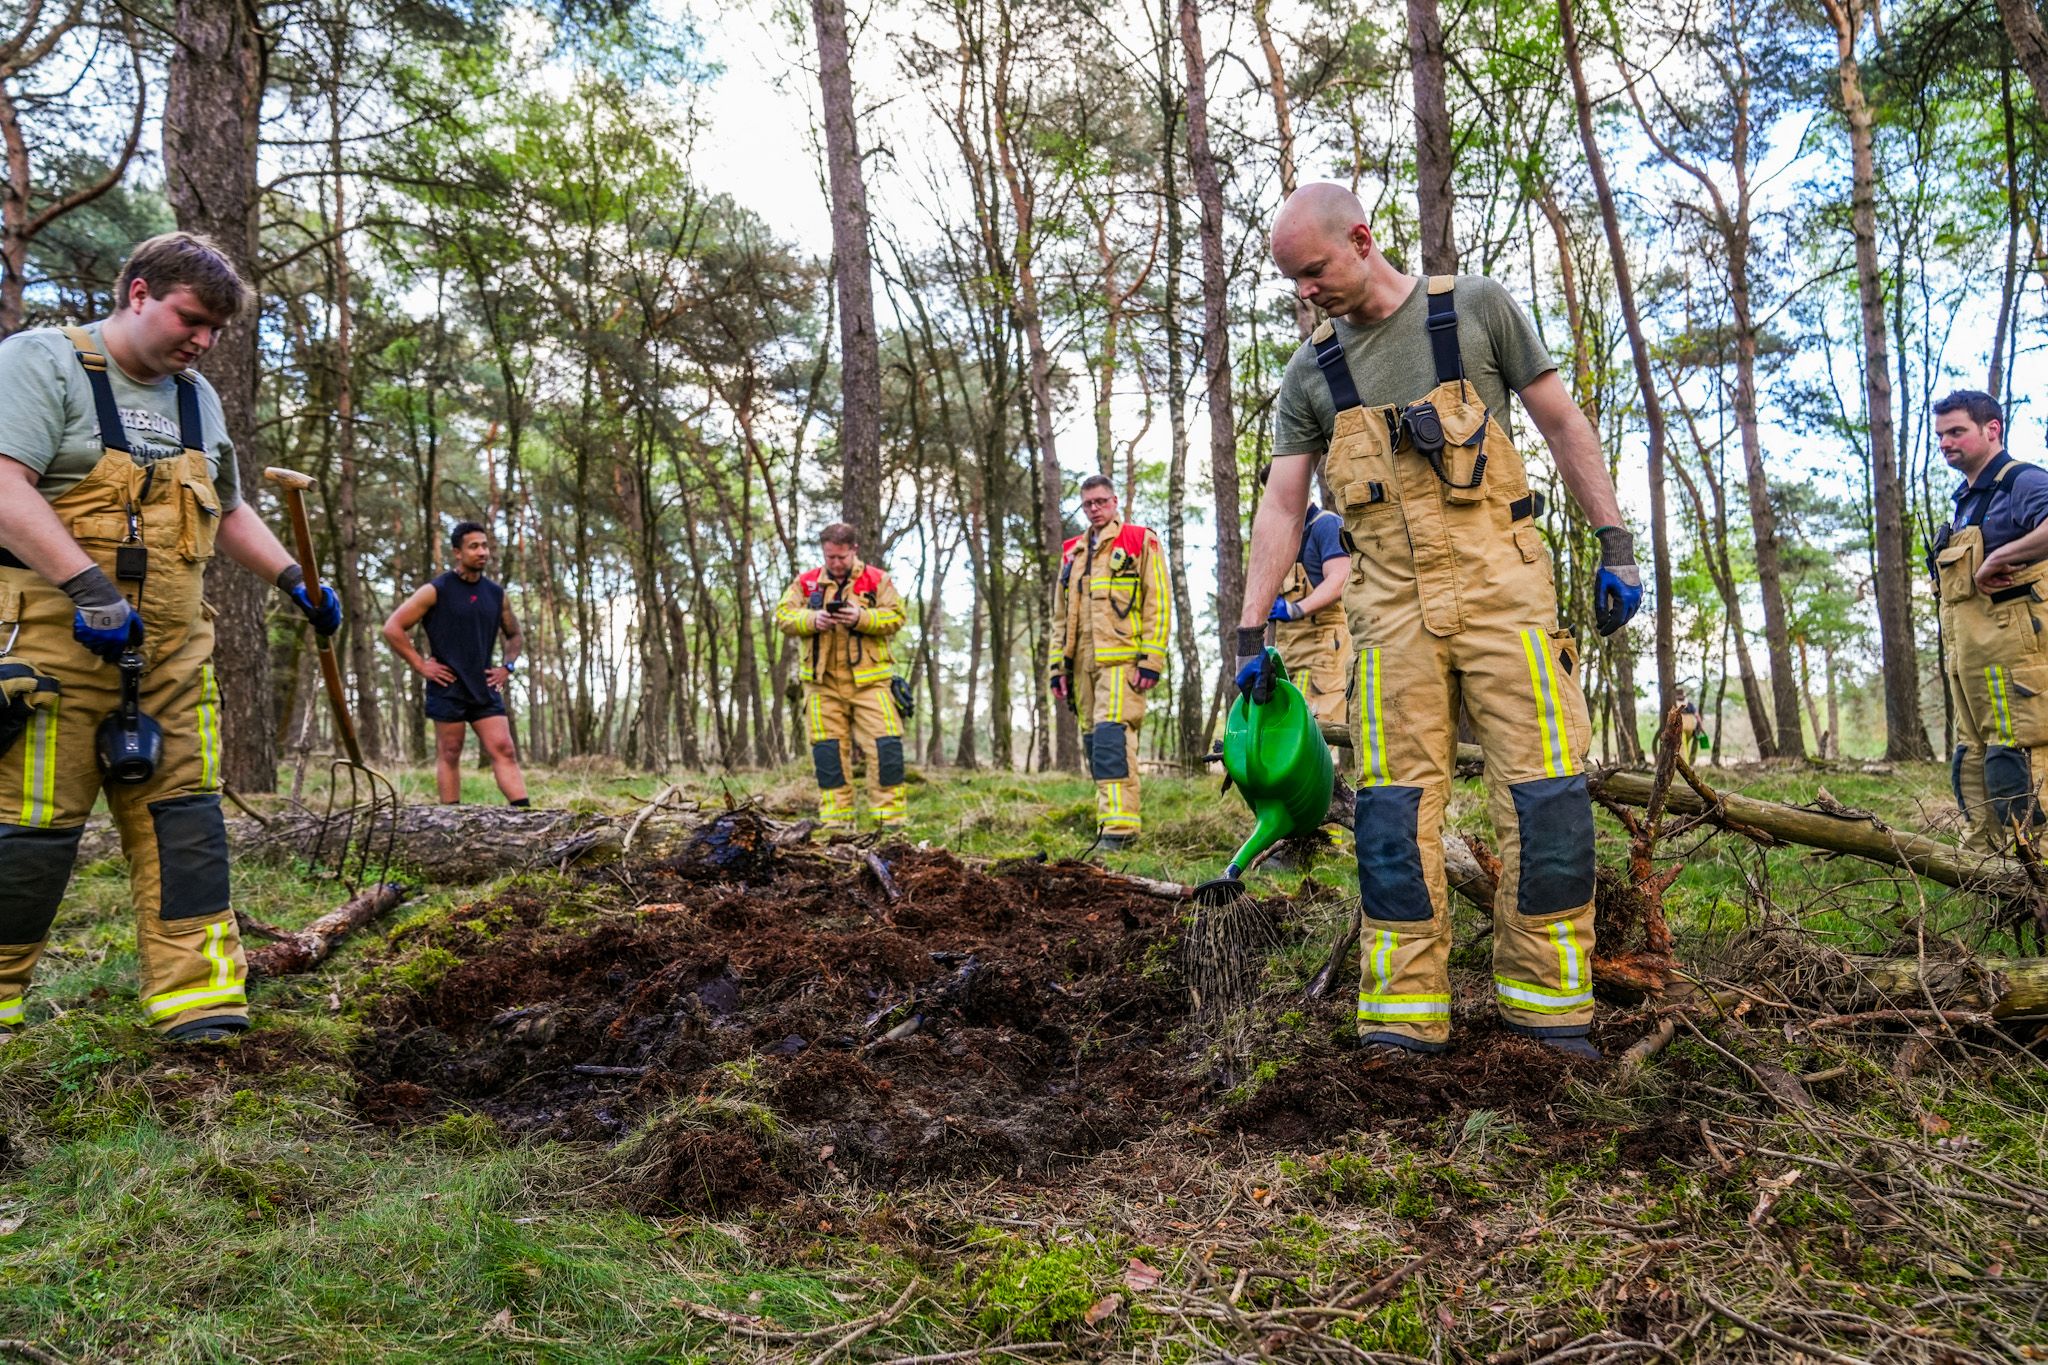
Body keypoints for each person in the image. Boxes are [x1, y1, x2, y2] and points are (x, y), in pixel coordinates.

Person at [1240, 183, 1642, 1060]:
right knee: (1392, 812)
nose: (1306, 293)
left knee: (1547, 798)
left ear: (1361, 238)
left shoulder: (1477, 310)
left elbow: (1564, 421)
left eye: (1314, 272)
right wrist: (1248, 634)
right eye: (1293, 283)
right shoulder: (1311, 374)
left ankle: (1548, 1004)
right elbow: (1280, 506)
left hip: (1509, 600)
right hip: (1389, 618)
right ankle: (1402, 1012)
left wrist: (1615, 542)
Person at [0, 231, 341, 1044]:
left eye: (216, 331)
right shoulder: (42, 362)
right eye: (191, 319)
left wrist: (295, 578)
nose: (202, 341)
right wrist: (87, 586)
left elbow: (226, 510)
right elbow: (5, 485)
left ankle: (199, 1005)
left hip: (173, 657)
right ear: (141, 292)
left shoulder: (196, 397)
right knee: (29, 831)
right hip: (53, 649)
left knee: (187, 829)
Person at [1927, 389, 2048, 852]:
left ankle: (2035, 873)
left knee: (2015, 759)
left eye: (1957, 431)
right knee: (1973, 761)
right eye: (1940, 435)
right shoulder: (1967, 499)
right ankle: (1985, 871)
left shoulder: (2022, 481)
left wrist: (2004, 554)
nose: (1945, 443)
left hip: (2014, 667)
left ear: (1991, 429)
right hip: (1971, 668)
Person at [1050, 474, 1169, 851]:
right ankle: (1108, 819)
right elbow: (1058, 616)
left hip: (1123, 661)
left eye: (1101, 501)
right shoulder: (1072, 552)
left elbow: (1158, 602)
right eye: (1088, 504)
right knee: (1092, 741)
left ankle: (1119, 830)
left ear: (1115, 501)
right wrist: (1057, 667)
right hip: (1082, 663)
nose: (1095, 509)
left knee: (1110, 738)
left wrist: (1152, 658)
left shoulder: (1139, 540)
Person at [382, 522, 530, 807]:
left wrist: (507, 668)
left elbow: (515, 635)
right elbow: (393, 628)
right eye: (474, 546)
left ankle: (524, 816)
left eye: (485, 546)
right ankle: (452, 820)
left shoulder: (496, 594)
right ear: (457, 552)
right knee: (450, 751)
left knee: (504, 749)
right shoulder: (436, 590)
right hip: (447, 684)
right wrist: (421, 665)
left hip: (484, 685)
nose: (482, 552)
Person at [774, 523, 909, 829]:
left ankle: (891, 821)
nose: (835, 563)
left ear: (854, 551)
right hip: (822, 685)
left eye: (841, 557)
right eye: (830, 556)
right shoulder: (807, 583)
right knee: (828, 753)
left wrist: (862, 617)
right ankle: (837, 824)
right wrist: (811, 619)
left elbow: (897, 616)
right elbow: (784, 615)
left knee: (887, 747)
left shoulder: (877, 580)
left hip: (871, 682)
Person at [1261, 462, 1354, 727]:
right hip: (1289, 654)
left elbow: (1339, 579)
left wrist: (1296, 609)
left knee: (1318, 728)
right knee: (1288, 726)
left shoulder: (1325, 526)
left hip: (1324, 651)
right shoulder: (1283, 539)